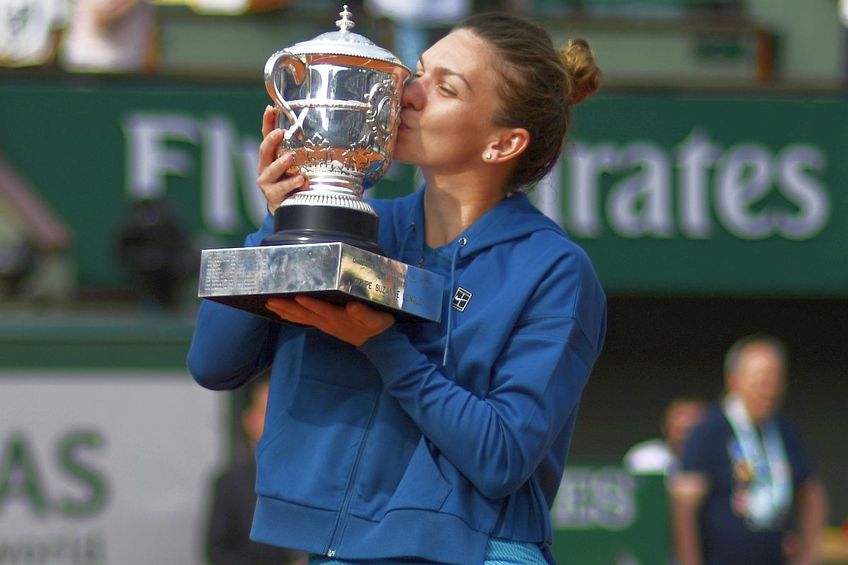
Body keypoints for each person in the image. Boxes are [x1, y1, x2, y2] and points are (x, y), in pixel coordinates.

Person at [188, 11, 606, 565]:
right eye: (418, 72)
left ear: (503, 144)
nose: (407, 93)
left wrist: (380, 343)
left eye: (446, 88)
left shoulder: (553, 269)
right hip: (338, 553)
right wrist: (288, 222)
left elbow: (502, 456)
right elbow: (214, 364)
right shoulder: (354, 228)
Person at [670, 335, 828, 565]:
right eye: (760, 380)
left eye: (775, 380)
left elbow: (811, 495)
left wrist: (807, 557)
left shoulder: (785, 431)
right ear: (734, 381)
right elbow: (684, 507)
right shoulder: (709, 431)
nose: (768, 389)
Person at [204, 378, 307, 564]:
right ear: (250, 420)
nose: (277, 421)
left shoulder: (317, 478)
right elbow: (219, 554)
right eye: (268, 411)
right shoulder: (231, 484)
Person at [623, 396, 706, 475]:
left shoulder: (716, 456)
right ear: (665, 427)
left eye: (692, 430)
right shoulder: (644, 457)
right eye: (681, 431)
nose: (686, 421)